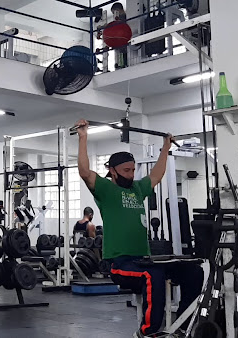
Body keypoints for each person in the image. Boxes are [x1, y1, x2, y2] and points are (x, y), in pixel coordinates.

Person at [74, 119, 203, 337]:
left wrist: (165, 148)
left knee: (194, 272)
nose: (131, 174)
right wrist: (83, 136)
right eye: (126, 170)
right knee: (152, 276)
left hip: (144, 260)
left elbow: (156, 175)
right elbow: (85, 172)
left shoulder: (137, 189)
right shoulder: (105, 190)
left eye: (133, 170)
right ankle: (147, 332)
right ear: (112, 171)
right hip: (119, 264)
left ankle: (183, 326)